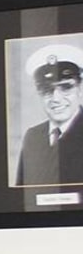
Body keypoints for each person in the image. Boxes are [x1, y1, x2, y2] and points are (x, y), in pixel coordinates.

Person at [15, 44, 83, 186]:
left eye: (66, 87)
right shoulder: (33, 136)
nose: (56, 98)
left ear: (80, 87)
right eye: (47, 90)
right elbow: (20, 194)